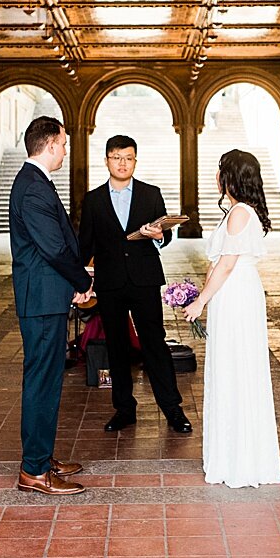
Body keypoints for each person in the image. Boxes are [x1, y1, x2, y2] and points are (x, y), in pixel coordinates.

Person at [78, 134, 192, 436]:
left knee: (155, 342)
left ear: (135, 161)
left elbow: (165, 234)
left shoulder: (150, 193)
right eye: (116, 157)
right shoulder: (93, 200)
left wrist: (159, 237)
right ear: (106, 161)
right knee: (116, 346)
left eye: (128, 158)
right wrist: (80, 282)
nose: (122, 163)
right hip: (110, 282)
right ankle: (124, 409)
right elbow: (84, 245)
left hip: (143, 279)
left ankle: (173, 409)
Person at [184, 149, 280, 489]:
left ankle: (241, 459)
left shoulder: (240, 213)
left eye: (220, 169)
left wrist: (200, 302)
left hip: (236, 293)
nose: (216, 175)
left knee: (237, 367)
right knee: (231, 367)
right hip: (231, 292)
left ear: (231, 177)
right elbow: (218, 263)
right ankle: (231, 454)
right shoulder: (238, 211)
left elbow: (226, 265)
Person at [8, 116, 93, 495]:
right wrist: (82, 280)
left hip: (45, 296)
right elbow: (53, 248)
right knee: (42, 382)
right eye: (62, 143)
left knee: (46, 380)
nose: (65, 150)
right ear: (49, 145)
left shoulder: (35, 182)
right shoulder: (33, 187)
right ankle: (34, 471)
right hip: (41, 300)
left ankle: (41, 457)